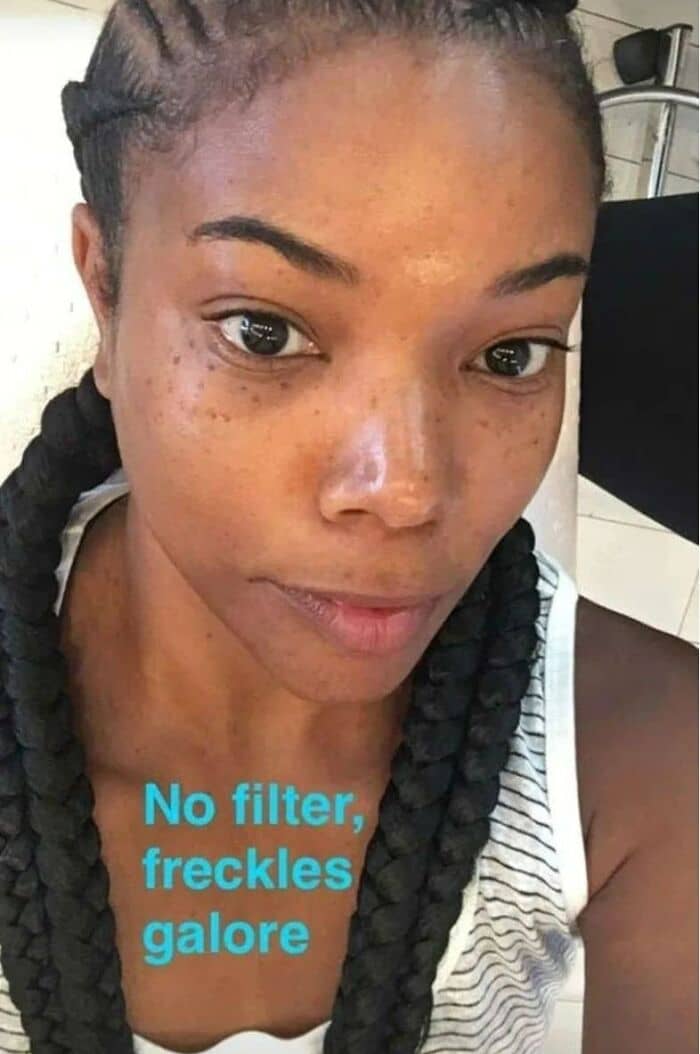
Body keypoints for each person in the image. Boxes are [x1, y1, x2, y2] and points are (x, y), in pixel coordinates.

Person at [0, 0, 695, 1052]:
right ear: (105, 286)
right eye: (264, 332)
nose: (406, 489)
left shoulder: (644, 759)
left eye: (509, 354)